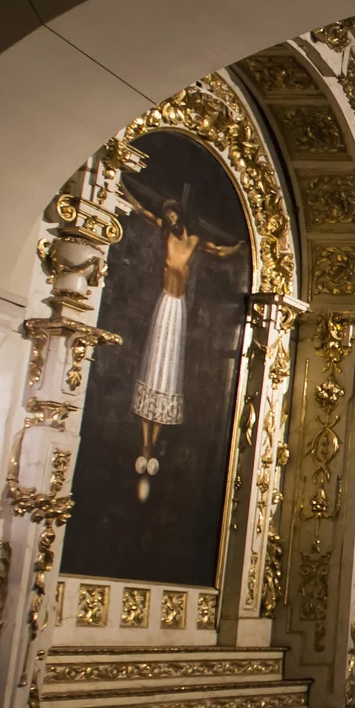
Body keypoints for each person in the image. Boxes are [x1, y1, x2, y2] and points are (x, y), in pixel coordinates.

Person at [125, 187, 245, 485]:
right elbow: (141, 210)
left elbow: (219, 251)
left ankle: (155, 442)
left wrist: (241, 247)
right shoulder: (165, 235)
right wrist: (124, 189)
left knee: (169, 372)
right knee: (154, 366)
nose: (170, 218)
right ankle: (145, 445)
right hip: (164, 304)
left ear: (181, 215)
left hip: (178, 309)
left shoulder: (192, 242)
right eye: (167, 215)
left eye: (173, 213)